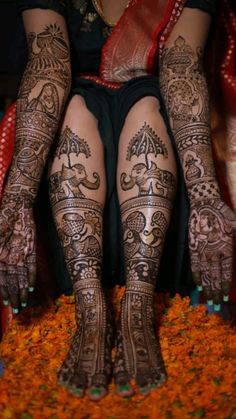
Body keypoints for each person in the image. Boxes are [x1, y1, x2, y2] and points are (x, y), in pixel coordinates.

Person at [0, 0, 235, 401]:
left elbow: (180, 66)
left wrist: (207, 199)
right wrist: (17, 199)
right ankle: (90, 312)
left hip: (165, 126)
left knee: (147, 106)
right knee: (73, 108)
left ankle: (138, 311)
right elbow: (48, 63)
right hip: (70, 124)